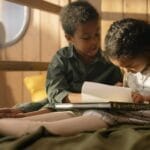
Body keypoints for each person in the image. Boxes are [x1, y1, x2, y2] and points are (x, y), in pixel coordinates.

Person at [0, 1, 123, 137]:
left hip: (92, 107)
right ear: (69, 38)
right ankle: (17, 117)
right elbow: (55, 94)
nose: (94, 42)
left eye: (97, 34)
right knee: (24, 108)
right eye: (86, 38)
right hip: (61, 103)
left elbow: (119, 88)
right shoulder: (61, 58)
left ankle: (20, 121)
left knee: (47, 110)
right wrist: (87, 98)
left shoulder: (109, 61)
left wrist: (119, 88)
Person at [104, 18, 150, 104]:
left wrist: (145, 98)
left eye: (130, 66)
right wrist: (122, 92)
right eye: (122, 68)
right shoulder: (130, 74)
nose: (126, 71)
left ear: (147, 51)